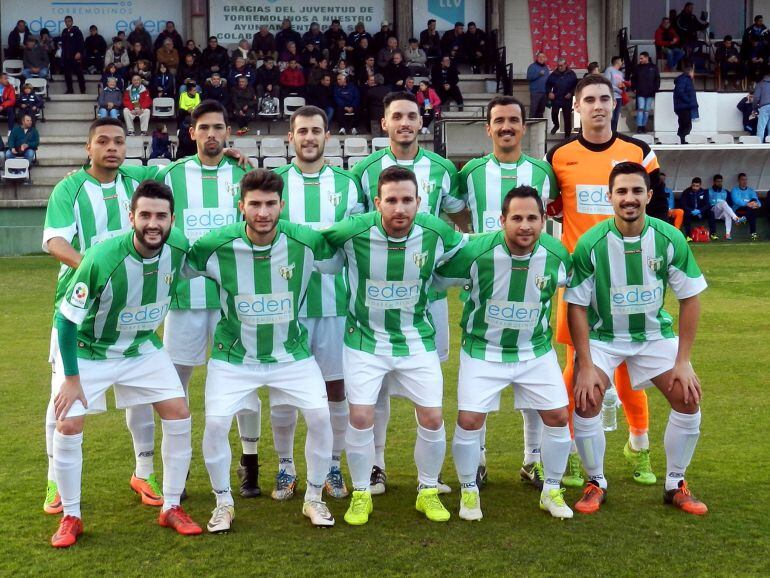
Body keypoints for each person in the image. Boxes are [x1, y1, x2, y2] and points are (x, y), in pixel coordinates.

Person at [184, 168, 341, 531]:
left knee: (320, 418)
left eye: (271, 204)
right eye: (255, 204)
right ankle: (223, 502)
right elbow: (179, 267)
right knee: (216, 424)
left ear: (281, 205)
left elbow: (340, 256)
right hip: (234, 356)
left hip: (292, 354)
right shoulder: (216, 244)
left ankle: (314, 498)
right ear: (241, 206)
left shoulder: (304, 240)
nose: (263, 212)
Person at [47, 179, 202, 547]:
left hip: (141, 349)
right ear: (131, 216)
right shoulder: (102, 259)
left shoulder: (178, 246)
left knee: (179, 413)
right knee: (67, 425)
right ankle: (71, 515)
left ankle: (172, 506)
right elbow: (66, 320)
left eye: (161, 216)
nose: (153, 223)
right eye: (145, 214)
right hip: (90, 350)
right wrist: (71, 378)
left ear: (172, 219)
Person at [321, 166, 467, 525]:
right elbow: (316, 239)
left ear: (419, 201)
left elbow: (469, 250)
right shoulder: (354, 230)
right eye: (391, 200)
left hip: (416, 339)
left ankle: (428, 490)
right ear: (377, 202)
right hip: (364, 341)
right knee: (360, 417)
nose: (399, 208)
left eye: (406, 200)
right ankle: (360, 494)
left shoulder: (436, 231)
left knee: (432, 417)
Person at [565, 161, 709, 517]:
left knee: (688, 398)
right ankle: (595, 481)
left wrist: (683, 360)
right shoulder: (591, 244)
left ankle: (675, 483)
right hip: (603, 336)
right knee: (585, 399)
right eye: (622, 192)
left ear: (649, 195)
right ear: (609, 197)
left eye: (636, 191)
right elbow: (577, 307)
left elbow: (690, 297)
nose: (629, 199)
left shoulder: (669, 237)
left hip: (652, 335)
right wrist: (584, 363)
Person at [41, 118, 165, 517]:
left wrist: (232, 154)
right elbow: (54, 240)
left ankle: (143, 472)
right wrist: (95, 271)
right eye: (103, 141)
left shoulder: (137, 179)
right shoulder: (69, 188)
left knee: (141, 394)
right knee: (61, 401)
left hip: (132, 304)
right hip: (80, 303)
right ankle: (54, 481)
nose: (112, 147)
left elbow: (182, 165)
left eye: (119, 141)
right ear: (87, 147)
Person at [546, 74, 663, 490]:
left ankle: (639, 443)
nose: (597, 105)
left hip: (631, 276)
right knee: (579, 368)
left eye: (604, 98)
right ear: (576, 106)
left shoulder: (638, 151)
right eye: (589, 99)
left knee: (633, 366)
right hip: (581, 281)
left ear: (615, 104)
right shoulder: (559, 156)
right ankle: (574, 452)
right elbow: (553, 209)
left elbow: (658, 209)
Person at [351, 92, 469, 495]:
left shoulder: (440, 168)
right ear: (384, 123)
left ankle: (430, 477)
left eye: (411, 116)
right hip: (376, 294)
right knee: (376, 387)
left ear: (422, 123)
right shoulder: (365, 170)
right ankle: (377, 465)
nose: (404, 122)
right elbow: (354, 225)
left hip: (426, 295)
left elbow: (458, 212)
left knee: (429, 382)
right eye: (396, 116)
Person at [434, 185, 572, 520]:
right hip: (482, 350)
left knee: (558, 417)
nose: (525, 225)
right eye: (517, 218)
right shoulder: (476, 252)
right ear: (502, 220)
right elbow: (435, 279)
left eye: (532, 218)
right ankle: (469, 491)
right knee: (469, 421)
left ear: (543, 220)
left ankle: (551, 489)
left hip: (535, 351)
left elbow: (578, 294)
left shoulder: (556, 254)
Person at [156, 100, 262, 499]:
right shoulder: (171, 174)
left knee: (246, 382)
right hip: (184, 299)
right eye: (204, 128)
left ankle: (250, 463)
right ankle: (177, 473)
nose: (212, 134)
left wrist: (250, 166)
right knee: (174, 385)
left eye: (219, 127)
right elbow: (127, 182)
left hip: (235, 301)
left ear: (228, 132)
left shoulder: (243, 174)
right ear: (191, 132)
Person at [458, 96, 558, 488]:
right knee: (478, 386)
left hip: (533, 282)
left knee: (534, 374)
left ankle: (532, 459)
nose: (506, 127)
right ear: (488, 127)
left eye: (513, 120)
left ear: (523, 126)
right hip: (486, 281)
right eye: (498, 120)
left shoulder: (543, 172)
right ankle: (478, 461)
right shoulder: (470, 172)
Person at [269, 106, 366, 502]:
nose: (309, 138)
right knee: (282, 391)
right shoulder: (274, 185)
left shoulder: (348, 185)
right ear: (289, 138)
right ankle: (285, 466)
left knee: (335, 389)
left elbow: (357, 241)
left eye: (316, 131)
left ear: (328, 137)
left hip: (334, 303)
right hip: (282, 304)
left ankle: (331, 464)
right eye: (301, 131)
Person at [545, 59, 577, 137]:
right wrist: (549, 92)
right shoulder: (554, 74)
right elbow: (547, 85)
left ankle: (567, 136)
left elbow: (576, 86)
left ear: (565, 65)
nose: (560, 67)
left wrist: (571, 93)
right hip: (556, 98)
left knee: (567, 118)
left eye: (561, 65)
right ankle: (556, 125)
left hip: (567, 98)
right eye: (558, 65)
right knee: (554, 113)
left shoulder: (571, 74)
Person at [708, 174, 745, 240]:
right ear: (714, 182)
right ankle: (736, 218)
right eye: (717, 181)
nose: (719, 183)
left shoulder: (725, 192)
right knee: (723, 202)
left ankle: (727, 234)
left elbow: (730, 205)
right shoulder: (708, 191)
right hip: (712, 210)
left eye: (720, 181)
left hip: (722, 213)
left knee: (727, 213)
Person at [631, 52, 660, 133]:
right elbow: (633, 79)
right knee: (640, 108)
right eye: (640, 58)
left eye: (641, 58)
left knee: (646, 110)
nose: (640, 60)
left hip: (650, 92)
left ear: (647, 58)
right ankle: (639, 126)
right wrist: (634, 88)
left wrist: (655, 89)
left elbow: (657, 79)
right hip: (640, 92)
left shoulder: (653, 67)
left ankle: (643, 126)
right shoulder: (638, 67)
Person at [731, 172, 762, 241]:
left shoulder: (751, 190)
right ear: (738, 180)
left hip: (750, 209)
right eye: (742, 179)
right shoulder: (734, 190)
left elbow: (758, 202)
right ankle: (753, 233)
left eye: (745, 179)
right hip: (738, 209)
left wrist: (756, 205)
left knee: (753, 205)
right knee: (752, 209)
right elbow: (736, 201)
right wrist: (748, 204)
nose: (744, 181)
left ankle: (743, 219)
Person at [60, 15, 86, 95]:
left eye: (69, 21)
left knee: (79, 73)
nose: (68, 23)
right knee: (67, 74)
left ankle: (83, 90)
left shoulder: (77, 31)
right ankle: (70, 90)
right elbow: (63, 44)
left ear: (72, 22)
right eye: (66, 21)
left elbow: (81, 43)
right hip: (66, 57)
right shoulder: (64, 31)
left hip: (75, 56)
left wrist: (79, 52)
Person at [674, 65, 698, 144]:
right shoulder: (684, 79)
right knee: (686, 125)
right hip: (683, 106)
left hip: (682, 106)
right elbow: (680, 92)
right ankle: (682, 140)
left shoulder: (684, 79)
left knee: (683, 124)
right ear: (690, 72)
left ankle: (681, 140)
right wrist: (689, 101)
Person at [603, 56, 625, 132]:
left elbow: (623, 84)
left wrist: (623, 86)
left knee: (616, 118)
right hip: (611, 97)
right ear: (617, 61)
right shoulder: (609, 70)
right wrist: (618, 90)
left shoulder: (621, 73)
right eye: (621, 61)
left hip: (619, 98)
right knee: (610, 117)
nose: (622, 62)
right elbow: (607, 83)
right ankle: (607, 133)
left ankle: (614, 134)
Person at [527, 52, 550, 119]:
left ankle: (539, 128)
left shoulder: (546, 68)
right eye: (539, 57)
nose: (541, 58)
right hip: (535, 92)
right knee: (533, 111)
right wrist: (538, 74)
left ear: (545, 58)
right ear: (537, 58)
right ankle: (530, 128)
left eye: (543, 57)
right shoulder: (532, 66)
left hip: (544, 92)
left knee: (541, 112)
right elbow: (529, 78)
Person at [753, 70, 770, 142]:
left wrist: (755, 108)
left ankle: (759, 145)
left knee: (761, 127)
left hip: (765, 106)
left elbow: (756, 98)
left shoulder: (760, 84)